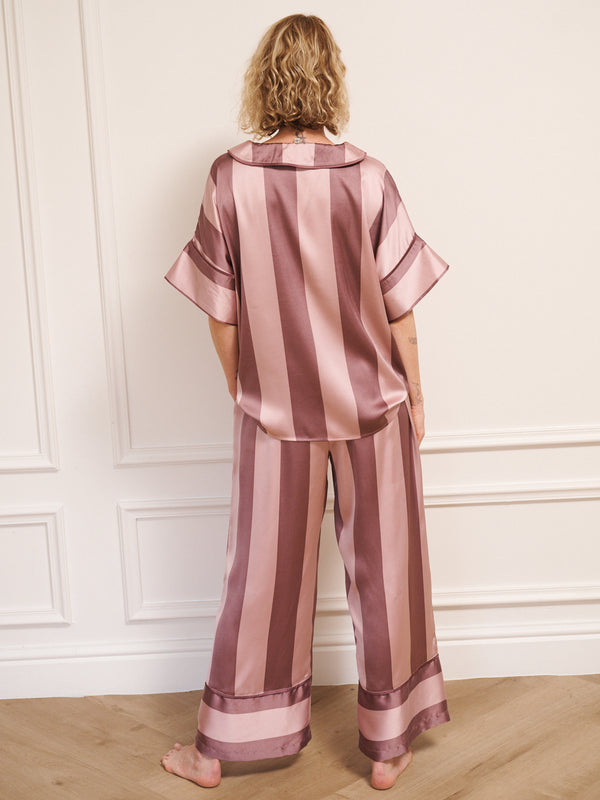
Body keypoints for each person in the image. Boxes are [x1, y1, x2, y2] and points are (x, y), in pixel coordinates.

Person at [160, 13, 451, 791]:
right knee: (388, 570)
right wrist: (415, 393)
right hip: (373, 405)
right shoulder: (370, 177)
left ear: (264, 79)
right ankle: (388, 751)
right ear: (333, 80)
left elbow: (220, 313)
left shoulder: (229, 178)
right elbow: (401, 312)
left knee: (258, 579)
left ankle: (216, 753)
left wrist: (246, 389)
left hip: (275, 412)